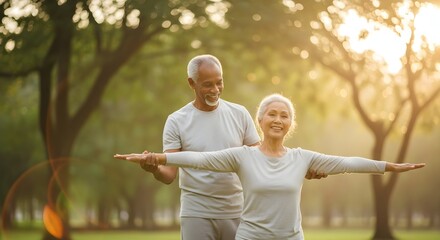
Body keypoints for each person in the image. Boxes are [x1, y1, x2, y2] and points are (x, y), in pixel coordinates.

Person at [115, 93, 426, 240]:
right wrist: (155, 158)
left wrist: (391, 166)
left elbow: (347, 163)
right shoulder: (241, 156)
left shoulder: (301, 158)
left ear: (290, 124)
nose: (278, 119)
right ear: (260, 120)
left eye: (285, 115)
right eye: (272, 114)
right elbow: (198, 159)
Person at [137, 54, 325, 240]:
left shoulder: (239, 114)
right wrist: (154, 168)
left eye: (219, 82)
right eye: (208, 84)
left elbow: (263, 160)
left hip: (237, 211)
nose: (215, 89)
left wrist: (301, 170)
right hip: (196, 212)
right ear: (192, 83)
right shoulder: (177, 120)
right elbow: (169, 174)